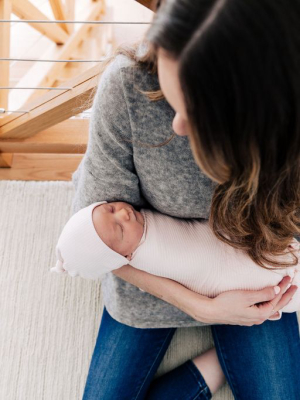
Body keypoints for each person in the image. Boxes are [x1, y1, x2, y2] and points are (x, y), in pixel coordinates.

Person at [70, 0, 300, 398]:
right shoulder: (128, 88)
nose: (176, 125)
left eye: (194, 110)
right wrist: (203, 308)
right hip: (151, 286)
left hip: (253, 280)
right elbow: (95, 241)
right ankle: (209, 370)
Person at [51, 200, 300, 320]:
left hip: (248, 250)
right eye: (120, 230)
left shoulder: (139, 224)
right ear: (123, 258)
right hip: (248, 281)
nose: (124, 214)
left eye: (111, 209)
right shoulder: (144, 256)